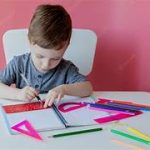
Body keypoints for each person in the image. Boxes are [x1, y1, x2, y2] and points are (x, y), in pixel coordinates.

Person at [0, 4, 93, 108]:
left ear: (66, 47)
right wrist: (18, 94)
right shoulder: (18, 64)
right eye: (40, 56)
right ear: (30, 42)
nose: (45, 65)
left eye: (55, 58)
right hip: (25, 118)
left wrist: (64, 89)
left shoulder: (66, 69)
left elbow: (88, 89)